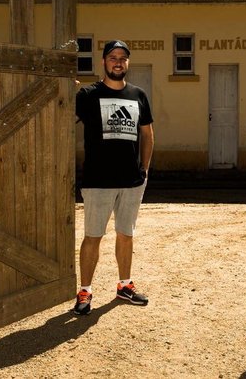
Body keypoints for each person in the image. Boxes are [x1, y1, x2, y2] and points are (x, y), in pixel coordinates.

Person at [73, 40, 154, 315]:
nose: (117, 62)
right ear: (104, 62)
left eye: (122, 58)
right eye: (112, 57)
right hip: (98, 181)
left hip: (131, 182)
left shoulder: (138, 95)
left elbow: (147, 133)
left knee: (126, 234)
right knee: (92, 236)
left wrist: (145, 169)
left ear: (127, 63)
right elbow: (62, 104)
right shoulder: (88, 95)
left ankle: (124, 286)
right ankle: (85, 290)